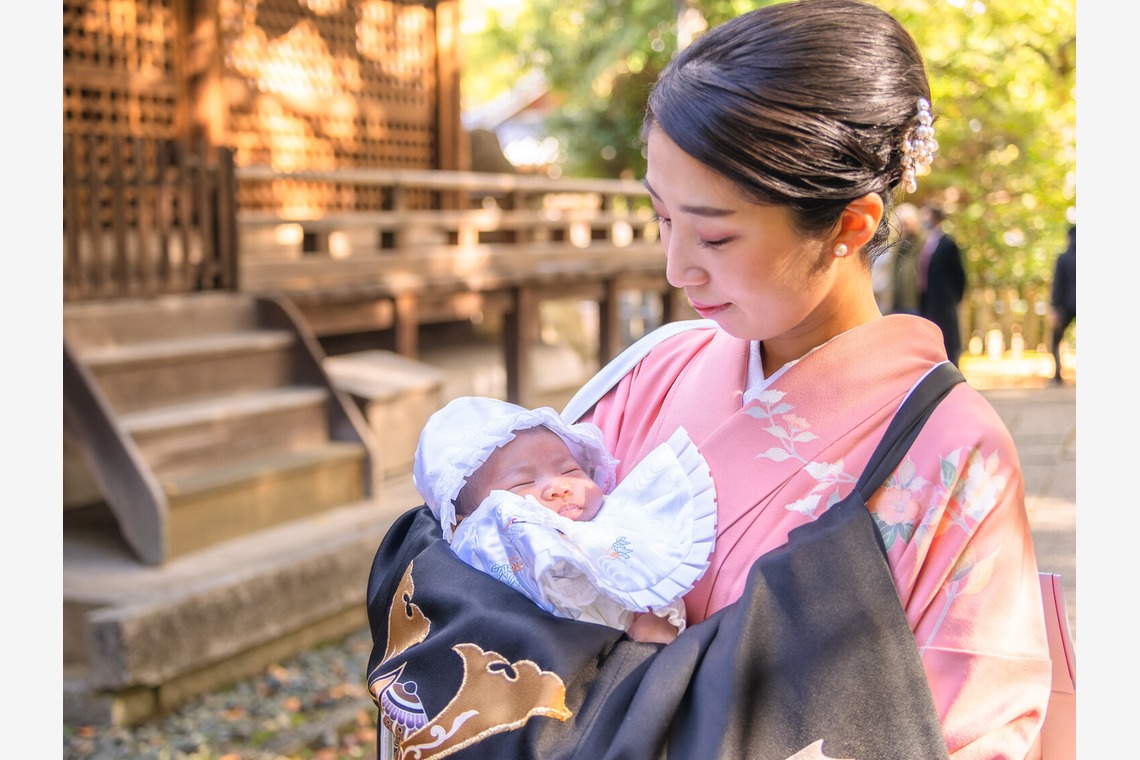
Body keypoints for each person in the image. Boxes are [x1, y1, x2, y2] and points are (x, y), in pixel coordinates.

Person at [365, 2, 1051, 758]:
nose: (677, 268)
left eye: (715, 235)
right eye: (663, 219)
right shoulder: (654, 369)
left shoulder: (953, 452)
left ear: (849, 225)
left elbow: (975, 727)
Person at [411, 396, 717, 645]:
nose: (559, 487)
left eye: (570, 470)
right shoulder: (486, 545)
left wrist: (656, 617)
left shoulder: (612, 520)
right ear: (467, 521)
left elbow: (650, 567)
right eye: (522, 483)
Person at [918, 204, 968, 365]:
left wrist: (952, 299)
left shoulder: (948, 244)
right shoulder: (924, 243)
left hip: (944, 303)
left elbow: (959, 275)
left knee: (949, 342)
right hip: (927, 301)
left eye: (927, 215)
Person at [1050, 225, 1077, 384]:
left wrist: (1055, 307)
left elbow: (1057, 284)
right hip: (1068, 304)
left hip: (1066, 305)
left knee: (1055, 340)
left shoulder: (1063, 258)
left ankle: (1057, 375)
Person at [891, 201, 924, 314]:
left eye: (906, 223)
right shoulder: (896, 246)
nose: (904, 227)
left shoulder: (924, 244)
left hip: (916, 303)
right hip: (897, 302)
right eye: (900, 224)